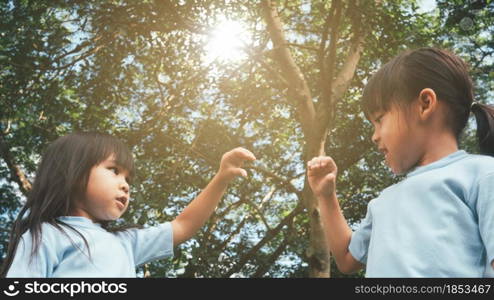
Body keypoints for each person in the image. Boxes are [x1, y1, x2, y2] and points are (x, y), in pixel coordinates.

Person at [307, 47, 494, 277]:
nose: (374, 136)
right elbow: (347, 258)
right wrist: (326, 196)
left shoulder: (482, 174)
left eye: (379, 119)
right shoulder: (383, 202)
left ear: (425, 103)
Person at [1, 132, 255, 277]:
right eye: (114, 170)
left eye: (128, 178)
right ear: (72, 172)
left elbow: (183, 225)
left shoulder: (125, 243)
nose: (125, 185)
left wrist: (220, 179)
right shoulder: (45, 236)